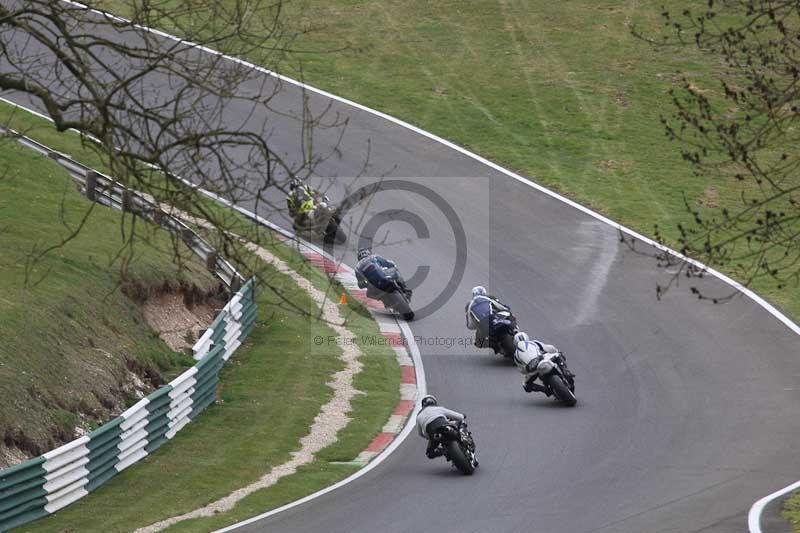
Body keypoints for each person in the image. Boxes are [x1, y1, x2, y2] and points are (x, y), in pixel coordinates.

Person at [416, 395, 466, 459]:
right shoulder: (439, 408)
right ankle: (463, 439)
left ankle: (444, 451)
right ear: (434, 402)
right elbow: (458, 416)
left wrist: (428, 437)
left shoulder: (419, 415)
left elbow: (420, 433)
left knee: (429, 454)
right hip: (445, 427)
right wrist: (462, 416)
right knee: (460, 422)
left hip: (433, 434)